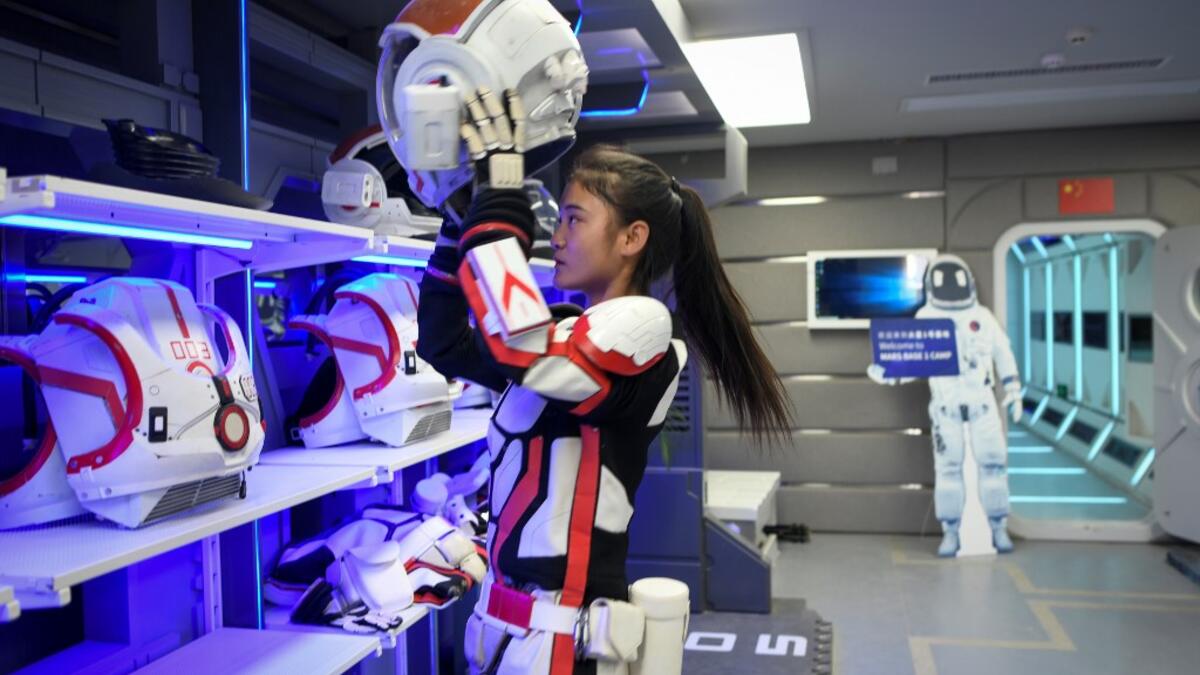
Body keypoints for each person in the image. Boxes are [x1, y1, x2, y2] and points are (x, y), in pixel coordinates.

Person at [416, 89, 791, 674]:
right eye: (558, 219)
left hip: (563, 642)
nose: (557, 237)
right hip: (500, 629)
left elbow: (526, 347)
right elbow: (443, 343)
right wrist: (457, 222)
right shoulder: (561, 335)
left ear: (631, 238)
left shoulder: (645, 329)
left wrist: (501, 196)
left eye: (574, 219)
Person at [868, 254, 1022, 557]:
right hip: (946, 409)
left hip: (982, 405)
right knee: (948, 472)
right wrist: (890, 374)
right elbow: (915, 358)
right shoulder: (927, 317)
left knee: (993, 466)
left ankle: (997, 527)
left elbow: (1002, 352)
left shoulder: (983, 317)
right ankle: (951, 531)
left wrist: (1013, 386)